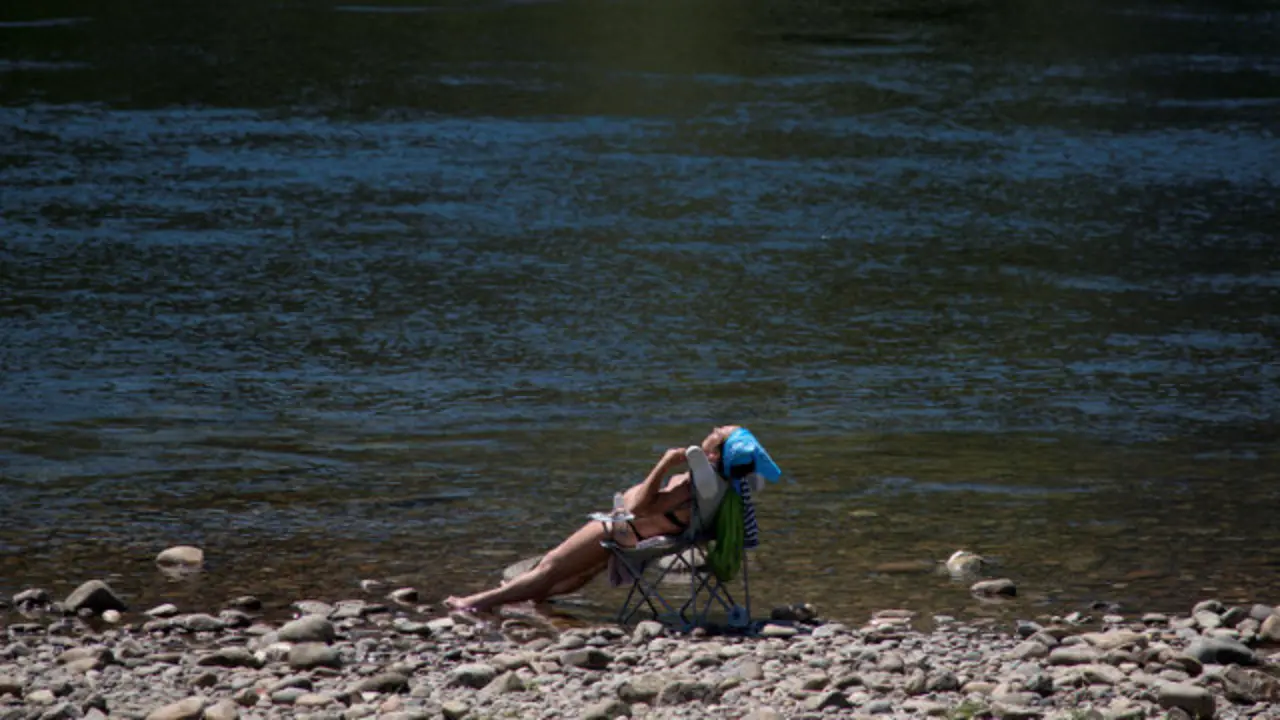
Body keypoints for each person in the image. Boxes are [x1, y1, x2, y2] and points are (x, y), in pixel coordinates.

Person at [444, 425, 741, 614]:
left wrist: (662, 464)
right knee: (576, 575)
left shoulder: (691, 484)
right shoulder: (725, 486)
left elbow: (638, 507)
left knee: (550, 566)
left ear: (714, 454)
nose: (713, 428)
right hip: (644, 534)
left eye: (718, 432)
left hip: (621, 530)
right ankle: (520, 597)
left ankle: (477, 603)